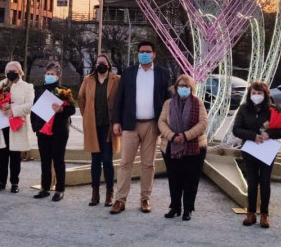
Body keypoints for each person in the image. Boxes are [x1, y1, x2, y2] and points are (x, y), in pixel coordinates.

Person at [109, 41, 172, 215]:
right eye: (141, 51)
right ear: (137, 54)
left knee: (148, 164)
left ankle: (145, 198)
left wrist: (165, 126)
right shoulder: (128, 73)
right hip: (130, 125)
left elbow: (168, 102)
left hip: (152, 125)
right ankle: (120, 200)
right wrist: (116, 122)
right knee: (125, 164)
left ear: (154, 54)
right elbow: (119, 99)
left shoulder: (163, 74)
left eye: (148, 51)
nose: (144, 54)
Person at [232, 81, 281, 228]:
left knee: (265, 182)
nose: (256, 96)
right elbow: (236, 129)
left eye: (259, 93)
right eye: (253, 93)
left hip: (267, 151)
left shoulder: (272, 110)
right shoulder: (244, 109)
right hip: (250, 150)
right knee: (252, 182)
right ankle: (250, 213)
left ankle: (264, 214)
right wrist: (252, 136)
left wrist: (269, 134)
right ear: (249, 94)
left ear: (265, 94)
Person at [158, 74, 208, 221]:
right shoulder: (168, 103)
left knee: (191, 180)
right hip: (171, 146)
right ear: (176, 87)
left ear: (191, 88)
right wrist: (172, 136)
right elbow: (161, 122)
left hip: (194, 148)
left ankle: (188, 209)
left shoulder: (198, 103)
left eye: (186, 86)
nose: (183, 88)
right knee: (174, 178)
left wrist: (185, 136)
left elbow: (203, 123)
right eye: (181, 86)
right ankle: (175, 207)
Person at [78, 54, 121, 207]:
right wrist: (86, 116)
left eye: (103, 62)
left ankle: (110, 193)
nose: (100, 65)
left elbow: (120, 101)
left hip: (109, 127)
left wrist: (118, 121)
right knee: (95, 160)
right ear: (95, 65)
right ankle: (95, 193)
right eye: (98, 63)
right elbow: (81, 98)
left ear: (109, 64)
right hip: (93, 126)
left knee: (107, 160)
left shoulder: (116, 80)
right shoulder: (88, 80)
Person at [32, 61, 76, 201]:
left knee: (58, 160)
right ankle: (45, 188)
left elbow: (72, 109)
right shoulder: (39, 90)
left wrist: (62, 110)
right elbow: (34, 110)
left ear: (58, 77)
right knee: (45, 160)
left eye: (53, 74)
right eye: (48, 74)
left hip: (59, 130)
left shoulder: (64, 91)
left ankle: (60, 189)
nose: (50, 76)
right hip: (42, 130)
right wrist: (35, 127)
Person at [0, 61, 35, 194]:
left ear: (20, 72)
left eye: (14, 70)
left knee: (15, 155)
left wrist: (12, 110)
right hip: (1, 123)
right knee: (1, 155)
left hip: (17, 124)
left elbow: (30, 105)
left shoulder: (27, 87)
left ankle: (14, 182)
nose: (11, 72)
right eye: (8, 70)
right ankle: (1, 182)